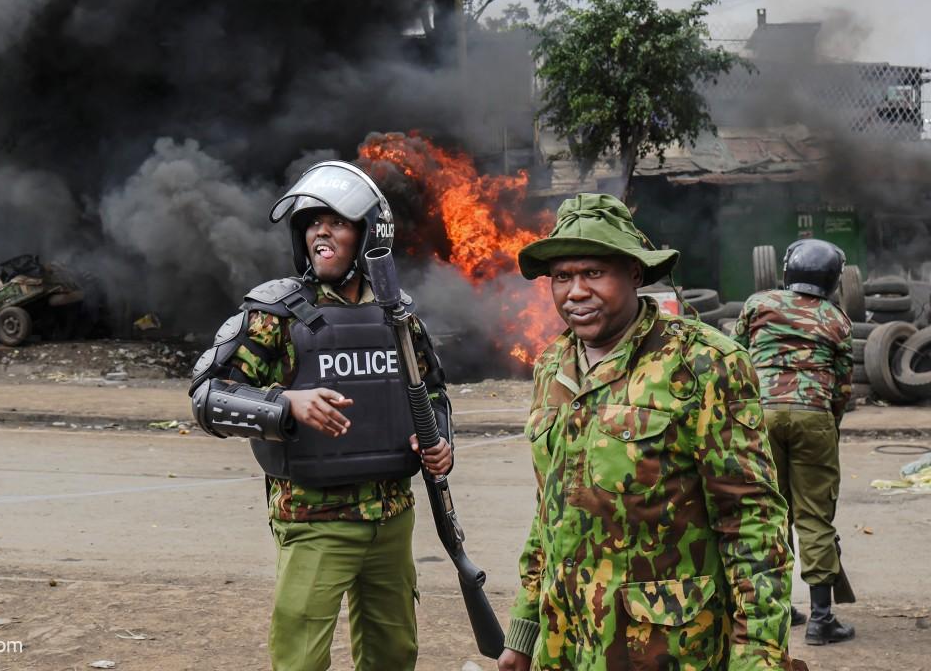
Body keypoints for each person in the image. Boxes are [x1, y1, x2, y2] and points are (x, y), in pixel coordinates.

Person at [498, 193, 795, 671]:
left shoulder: (702, 364)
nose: (575, 291)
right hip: (566, 644)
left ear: (634, 274)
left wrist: (758, 655)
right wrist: (524, 628)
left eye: (593, 273)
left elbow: (752, 522)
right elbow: (550, 510)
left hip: (663, 649)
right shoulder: (553, 365)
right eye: (561, 277)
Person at [189, 160, 452, 671]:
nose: (320, 232)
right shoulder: (275, 313)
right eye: (311, 222)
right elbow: (207, 397)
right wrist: (286, 404)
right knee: (301, 662)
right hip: (315, 522)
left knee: (395, 656)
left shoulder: (397, 314)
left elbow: (432, 392)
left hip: (393, 519)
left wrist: (439, 442)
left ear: (369, 233)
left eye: (336, 221)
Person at [734, 238, 855, 646]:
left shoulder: (757, 304)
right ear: (833, 278)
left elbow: (735, 356)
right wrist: (827, 424)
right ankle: (822, 620)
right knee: (814, 517)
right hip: (813, 417)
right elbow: (842, 386)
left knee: (771, 513)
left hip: (762, 414)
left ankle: (778, 610)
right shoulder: (837, 319)